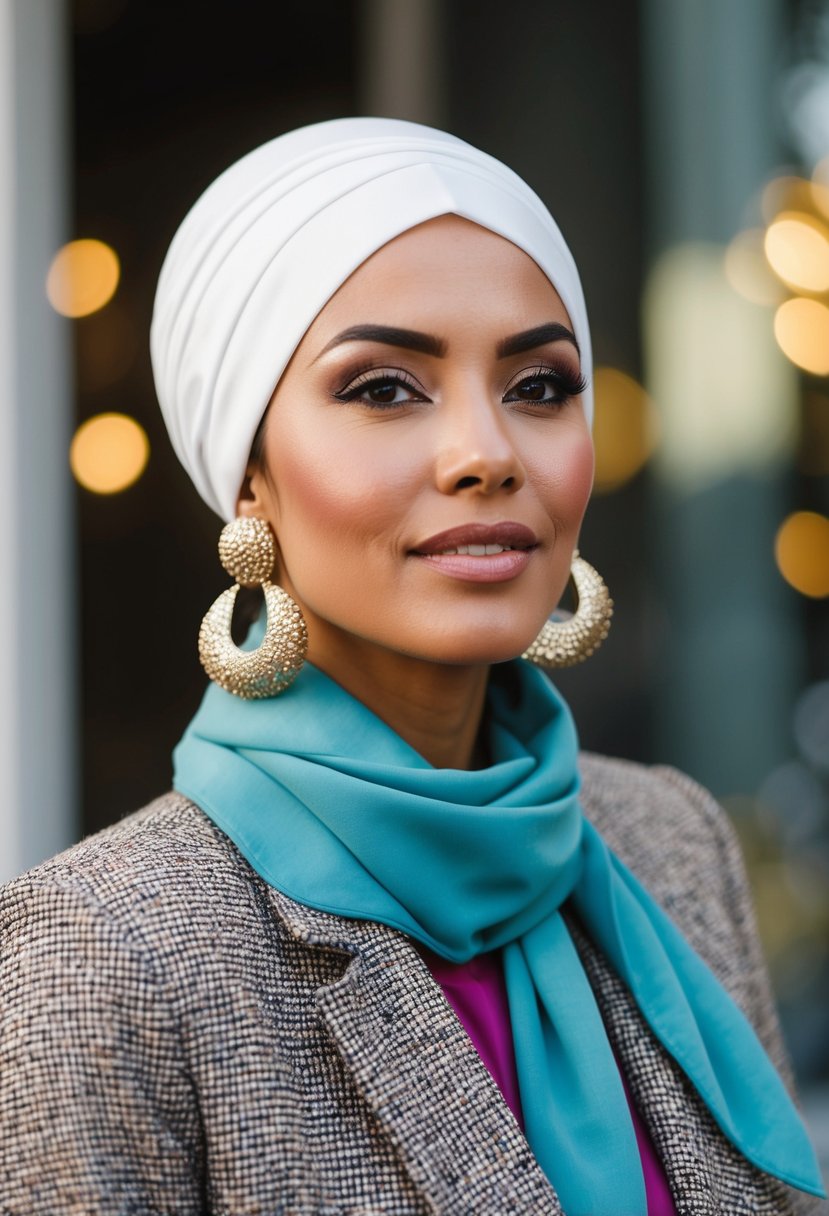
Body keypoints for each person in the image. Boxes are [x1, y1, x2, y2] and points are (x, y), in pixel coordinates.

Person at [0, 118, 825, 1216]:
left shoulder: (667, 841)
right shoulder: (106, 951)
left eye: (538, 384)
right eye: (384, 388)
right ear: (249, 472)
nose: (486, 452)